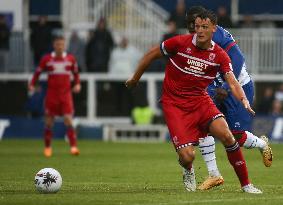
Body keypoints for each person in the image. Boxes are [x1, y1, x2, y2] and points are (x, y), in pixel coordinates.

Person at [126, 10, 262, 194]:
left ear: (214, 29)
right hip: (174, 103)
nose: (199, 31)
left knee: (228, 136)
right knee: (188, 156)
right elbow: (151, 54)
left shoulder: (220, 55)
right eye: (197, 26)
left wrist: (244, 100)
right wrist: (135, 78)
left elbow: (232, 81)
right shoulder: (180, 42)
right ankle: (188, 169)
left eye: (204, 27)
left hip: (200, 100)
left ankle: (246, 185)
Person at [186, 6, 273, 190]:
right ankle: (214, 174)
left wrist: (226, 86)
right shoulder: (191, 41)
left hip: (237, 86)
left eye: (200, 25)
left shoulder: (218, 36)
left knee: (235, 136)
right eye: (192, 26)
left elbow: (238, 59)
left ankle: (261, 143)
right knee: (202, 126)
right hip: (215, 88)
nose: (196, 29)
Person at [29, 36, 81, 157]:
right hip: (52, 95)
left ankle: (73, 147)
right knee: (49, 122)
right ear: (54, 45)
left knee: (68, 119)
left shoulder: (70, 59)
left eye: (62, 44)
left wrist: (77, 84)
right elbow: (37, 73)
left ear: (64, 45)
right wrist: (32, 84)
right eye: (58, 44)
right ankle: (47, 148)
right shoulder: (47, 59)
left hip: (66, 95)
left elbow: (76, 73)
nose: (60, 47)